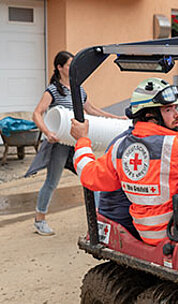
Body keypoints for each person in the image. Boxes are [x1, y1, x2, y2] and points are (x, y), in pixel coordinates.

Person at [70, 77, 178, 245]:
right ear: (150, 115)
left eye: (175, 108)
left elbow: (89, 175)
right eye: (168, 110)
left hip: (146, 231)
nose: (177, 115)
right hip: (176, 229)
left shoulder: (120, 146)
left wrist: (82, 140)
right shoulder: (172, 146)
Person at [30, 50, 124, 236]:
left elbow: (92, 110)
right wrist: (48, 132)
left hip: (77, 141)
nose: (73, 68)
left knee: (91, 178)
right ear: (59, 68)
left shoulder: (78, 88)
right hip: (60, 143)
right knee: (52, 181)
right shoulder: (53, 90)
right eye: (69, 65)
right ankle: (40, 220)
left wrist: (116, 119)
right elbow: (37, 113)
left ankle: (98, 220)